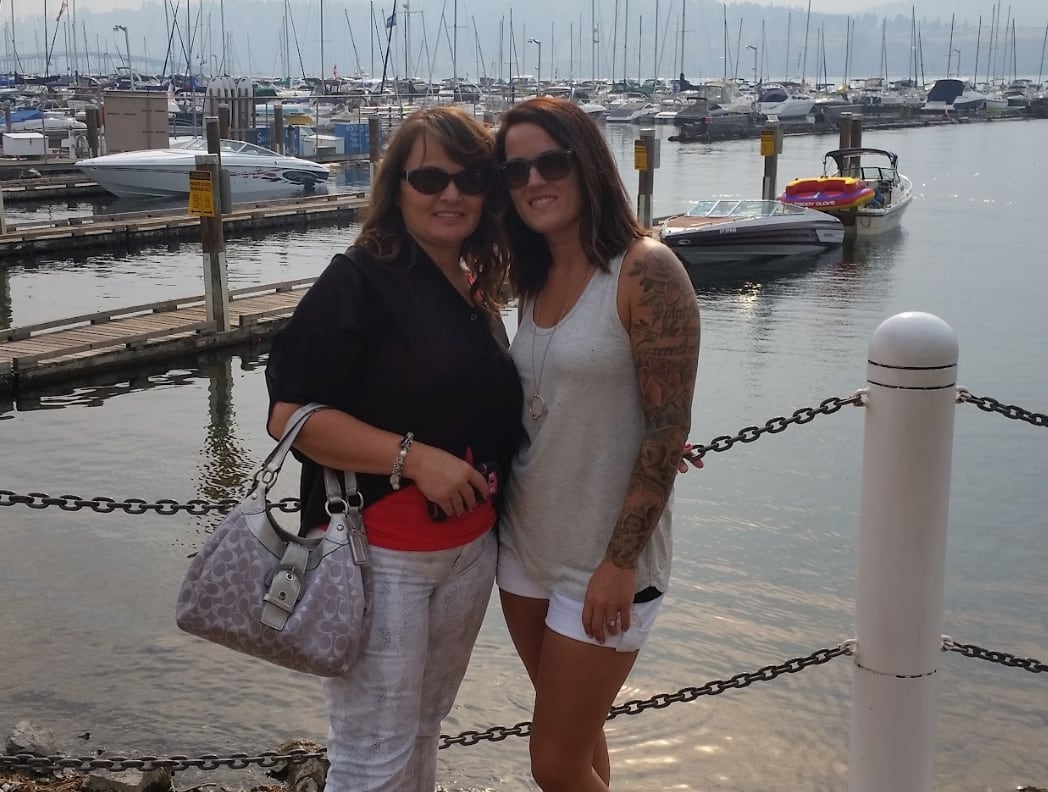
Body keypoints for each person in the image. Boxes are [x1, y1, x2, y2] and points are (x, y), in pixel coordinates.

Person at [264, 106, 523, 792]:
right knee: (372, 755)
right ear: (397, 188)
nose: (450, 194)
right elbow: (288, 416)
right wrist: (416, 460)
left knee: (421, 731)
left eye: (469, 177)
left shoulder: (471, 284)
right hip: (377, 555)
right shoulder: (357, 281)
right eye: (429, 177)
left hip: (469, 552)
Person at [494, 97, 701, 791]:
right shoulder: (531, 276)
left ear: (587, 164)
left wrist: (622, 563)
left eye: (550, 162)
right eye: (515, 169)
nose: (533, 181)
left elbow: (667, 429)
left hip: (605, 566)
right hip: (524, 551)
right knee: (577, 743)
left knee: (552, 762)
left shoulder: (646, 271)